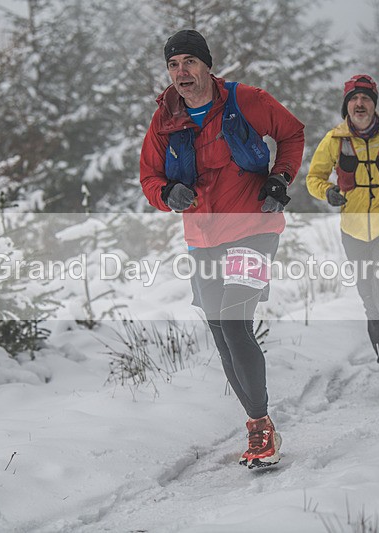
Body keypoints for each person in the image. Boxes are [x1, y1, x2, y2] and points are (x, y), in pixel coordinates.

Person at [140, 30, 304, 468]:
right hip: (202, 239)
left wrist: (280, 178)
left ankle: (259, 426)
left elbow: (292, 135)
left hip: (254, 227)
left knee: (234, 323)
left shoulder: (246, 100)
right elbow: (149, 178)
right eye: (173, 65)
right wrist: (166, 193)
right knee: (220, 330)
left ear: (207, 66)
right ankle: (259, 420)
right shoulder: (165, 119)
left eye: (189, 62)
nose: (181, 73)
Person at [306, 74, 379, 392]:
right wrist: (328, 191)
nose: (360, 104)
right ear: (346, 105)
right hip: (354, 229)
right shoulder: (334, 140)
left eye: (366, 99)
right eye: (354, 99)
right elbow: (313, 177)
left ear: (374, 104)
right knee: (369, 297)